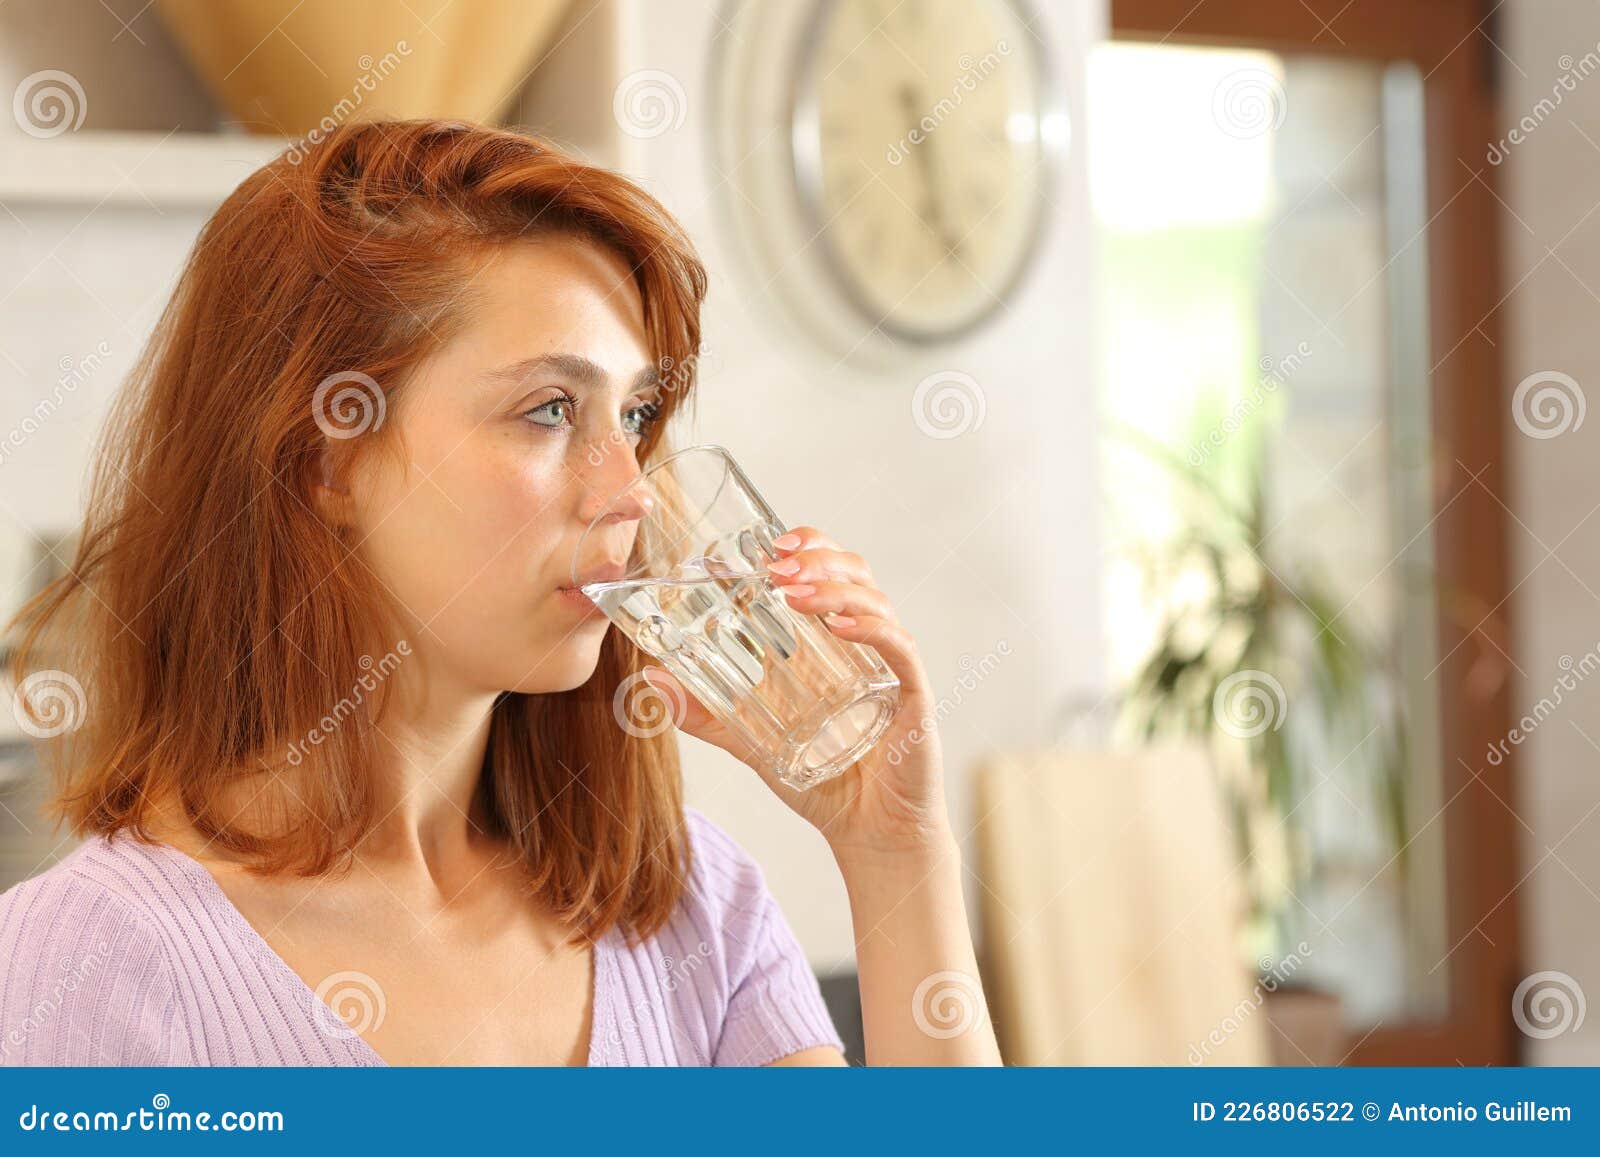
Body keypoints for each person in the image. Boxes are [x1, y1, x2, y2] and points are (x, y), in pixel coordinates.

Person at [0, 119, 999, 1067]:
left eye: (637, 412)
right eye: (549, 409)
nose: (630, 488)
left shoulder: (696, 907)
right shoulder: (89, 960)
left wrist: (894, 849)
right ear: (327, 462)